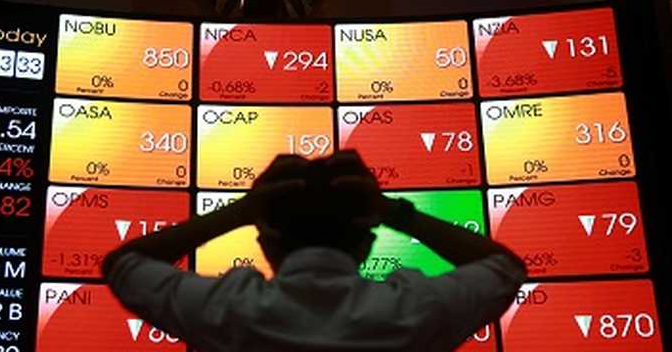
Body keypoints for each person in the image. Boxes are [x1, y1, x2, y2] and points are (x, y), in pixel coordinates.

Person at [102, 151, 527, 352]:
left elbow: (123, 264)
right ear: (366, 242)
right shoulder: (413, 311)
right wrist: (392, 211)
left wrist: (242, 210)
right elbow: (505, 267)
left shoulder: (227, 311)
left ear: (267, 241)